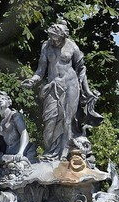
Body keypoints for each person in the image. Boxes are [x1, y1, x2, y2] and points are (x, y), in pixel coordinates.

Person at [25, 19, 101, 161]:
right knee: (50, 120)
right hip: (53, 86)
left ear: (64, 36)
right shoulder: (46, 46)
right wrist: (33, 80)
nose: (55, 41)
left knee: (67, 120)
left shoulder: (72, 46)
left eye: (57, 39)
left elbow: (81, 68)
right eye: (52, 38)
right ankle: (50, 152)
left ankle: (64, 154)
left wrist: (87, 91)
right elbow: (41, 69)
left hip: (71, 85)